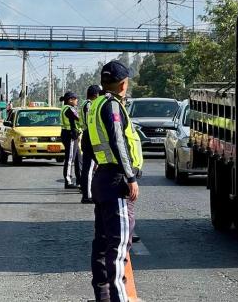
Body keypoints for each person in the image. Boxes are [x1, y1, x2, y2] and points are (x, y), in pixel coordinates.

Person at [88, 61, 143, 302]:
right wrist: (130, 176)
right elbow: (118, 141)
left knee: (102, 244)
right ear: (123, 83)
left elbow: (87, 145)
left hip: (102, 177)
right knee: (119, 247)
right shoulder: (112, 106)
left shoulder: (95, 105)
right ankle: (119, 298)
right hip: (116, 180)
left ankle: (104, 296)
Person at [79, 85, 101, 204]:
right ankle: (87, 195)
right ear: (95, 94)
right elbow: (89, 121)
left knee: (90, 166)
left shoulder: (85, 103)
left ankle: (88, 192)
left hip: (87, 135)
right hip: (89, 135)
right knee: (88, 168)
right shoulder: (88, 104)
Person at [60, 91, 82, 189]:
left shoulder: (68, 108)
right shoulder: (68, 109)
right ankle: (68, 181)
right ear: (70, 100)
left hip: (71, 134)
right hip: (70, 134)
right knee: (70, 158)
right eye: (75, 98)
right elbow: (78, 119)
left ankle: (80, 180)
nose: (77, 100)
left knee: (78, 158)